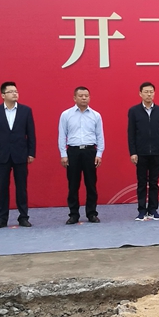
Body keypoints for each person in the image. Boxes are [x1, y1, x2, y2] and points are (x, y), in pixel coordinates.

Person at [0, 81, 36, 229]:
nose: (15, 94)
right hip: (1, 155)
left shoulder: (25, 111)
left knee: (21, 188)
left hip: (20, 154)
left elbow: (31, 134)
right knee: (2, 188)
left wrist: (31, 152)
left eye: (16, 91)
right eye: (11, 92)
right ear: (3, 95)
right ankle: (1, 218)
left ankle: (23, 217)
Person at [58, 86, 105, 224]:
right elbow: (62, 135)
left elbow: (100, 136)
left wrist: (99, 153)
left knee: (91, 184)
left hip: (90, 151)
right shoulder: (66, 115)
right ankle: (74, 214)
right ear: (74, 98)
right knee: (73, 185)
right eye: (81, 96)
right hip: (73, 152)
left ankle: (92, 213)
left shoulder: (96, 115)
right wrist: (63, 154)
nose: (84, 98)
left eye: (86, 96)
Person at [128, 82, 159, 221]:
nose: (149, 94)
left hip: (156, 152)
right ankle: (141, 211)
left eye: (151, 91)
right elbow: (131, 133)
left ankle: (153, 210)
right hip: (141, 153)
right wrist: (133, 152)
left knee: (154, 182)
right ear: (140, 93)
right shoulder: (134, 111)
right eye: (146, 92)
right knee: (141, 182)